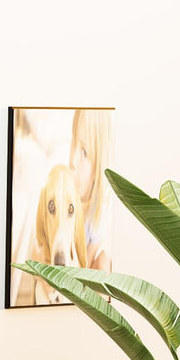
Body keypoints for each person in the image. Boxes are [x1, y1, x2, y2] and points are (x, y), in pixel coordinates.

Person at [70, 109, 114, 270]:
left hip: (77, 273)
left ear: (99, 166)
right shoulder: (64, 192)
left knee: (103, 262)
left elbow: (84, 267)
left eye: (84, 152)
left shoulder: (98, 212)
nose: (73, 160)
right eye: (74, 141)